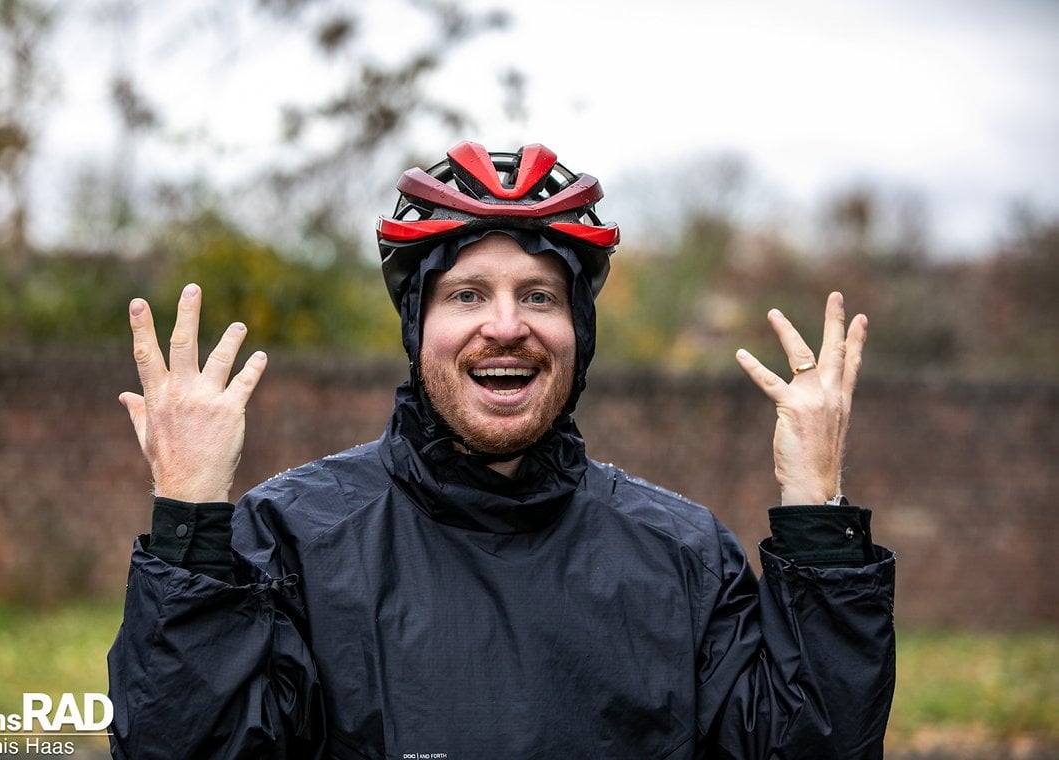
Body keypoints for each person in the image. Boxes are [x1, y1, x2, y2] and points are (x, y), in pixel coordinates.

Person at [108, 141, 895, 759]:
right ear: (418, 328)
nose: (508, 324)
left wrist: (815, 510)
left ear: (578, 334)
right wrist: (190, 523)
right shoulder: (289, 538)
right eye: (468, 293)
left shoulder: (684, 556)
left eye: (540, 295)